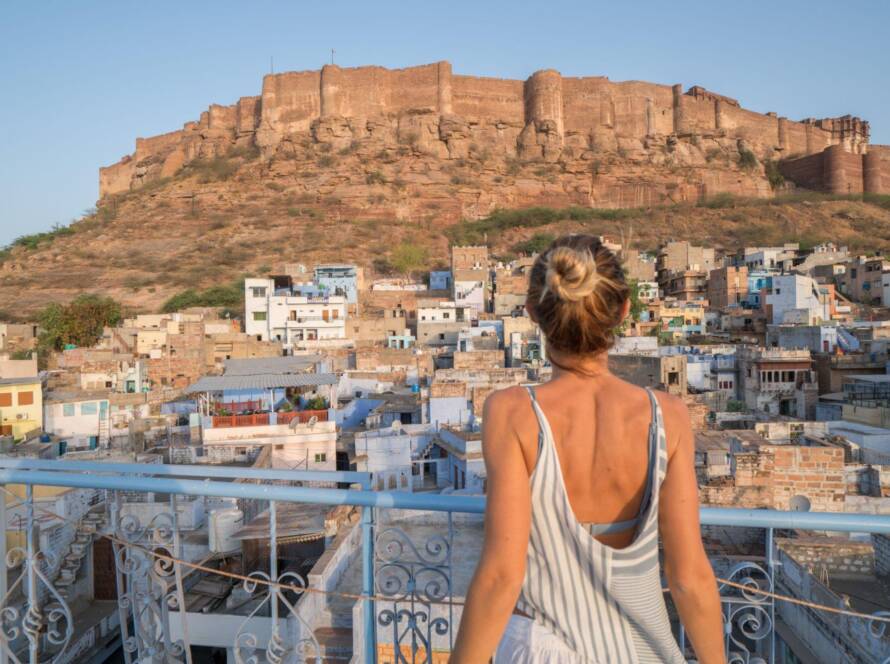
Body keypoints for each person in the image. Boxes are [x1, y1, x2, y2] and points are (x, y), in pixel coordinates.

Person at [452, 235, 725, 663]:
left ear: (532, 315)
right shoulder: (666, 417)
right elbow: (689, 577)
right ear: (623, 310)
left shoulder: (512, 414)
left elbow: (502, 576)